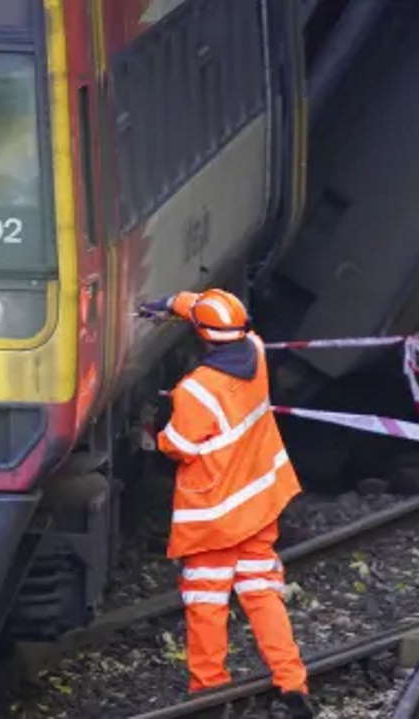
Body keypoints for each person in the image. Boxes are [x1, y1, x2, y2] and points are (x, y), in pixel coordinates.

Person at [141, 288, 314, 718]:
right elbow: (214, 314)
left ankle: (210, 690)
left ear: (201, 334)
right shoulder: (254, 352)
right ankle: (293, 686)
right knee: (261, 591)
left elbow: (178, 446)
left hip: (214, 518)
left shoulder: (196, 390)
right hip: (259, 503)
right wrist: (175, 302)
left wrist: (154, 433)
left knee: (206, 600)